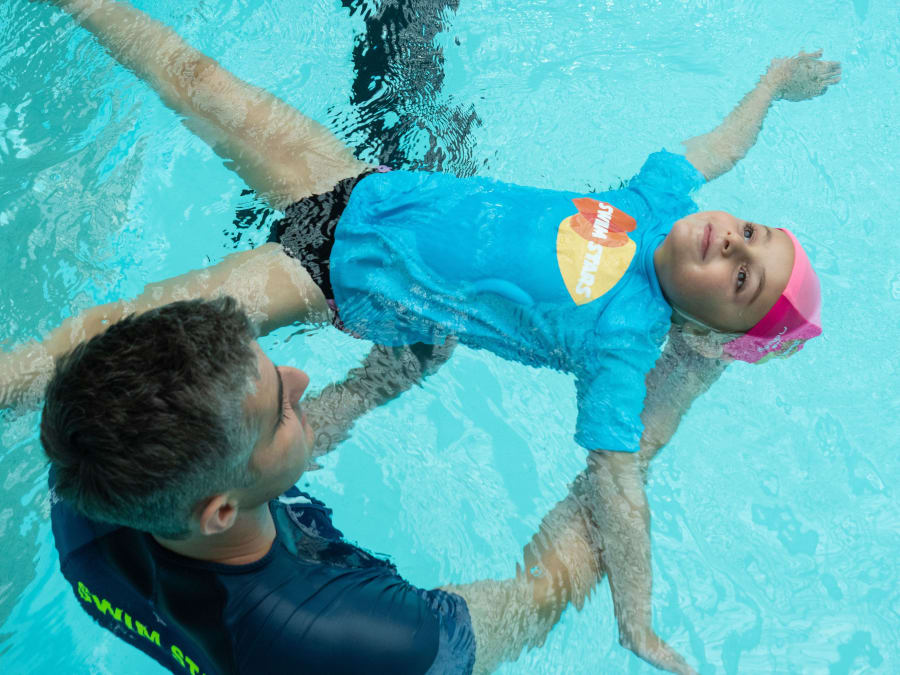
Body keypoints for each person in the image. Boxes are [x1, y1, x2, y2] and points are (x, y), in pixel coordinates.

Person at [3, 0, 841, 672]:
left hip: (328, 258)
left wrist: (639, 621)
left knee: (117, 291)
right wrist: (768, 86)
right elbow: (715, 150)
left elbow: (616, 488)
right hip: (352, 199)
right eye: (751, 235)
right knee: (194, 84)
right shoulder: (659, 207)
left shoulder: (623, 346)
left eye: (741, 281)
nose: (732, 242)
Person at [42, 296, 603, 674]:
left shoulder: (93, 464)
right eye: (282, 408)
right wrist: (642, 416)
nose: (300, 378)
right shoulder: (355, 633)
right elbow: (541, 596)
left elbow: (243, 460)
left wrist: (373, 384)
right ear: (219, 512)